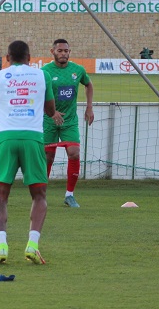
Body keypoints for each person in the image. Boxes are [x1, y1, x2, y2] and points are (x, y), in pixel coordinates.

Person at [0, 40, 56, 264]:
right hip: (32, 137)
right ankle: (32, 246)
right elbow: (51, 110)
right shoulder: (41, 75)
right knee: (39, 195)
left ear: (7, 57)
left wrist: (4, 100)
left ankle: (2, 247)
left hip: (5, 137)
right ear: (30, 57)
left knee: (0, 196)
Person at [42, 38, 94, 208]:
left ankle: (69, 195)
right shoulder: (45, 71)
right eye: (60, 51)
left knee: (74, 152)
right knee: (47, 156)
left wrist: (89, 107)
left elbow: (88, 84)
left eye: (66, 51)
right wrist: (52, 112)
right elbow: (37, 95)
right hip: (48, 120)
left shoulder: (77, 70)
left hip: (69, 121)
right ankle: (41, 194)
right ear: (53, 52)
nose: (63, 54)